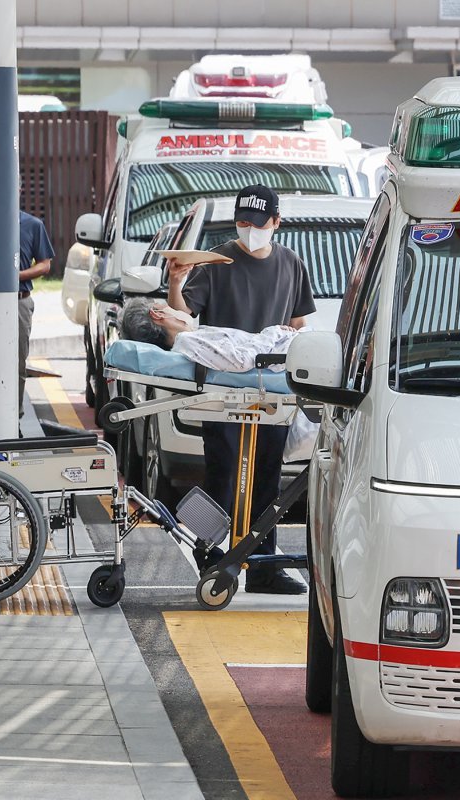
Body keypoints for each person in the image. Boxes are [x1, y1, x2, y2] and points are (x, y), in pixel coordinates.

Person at [166, 185, 315, 594]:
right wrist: (176, 283)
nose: (250, 231)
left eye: (258, 224)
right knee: (223, 474)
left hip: (271, 392)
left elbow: (299, 324)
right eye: (243, 223)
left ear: (277, 223)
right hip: (223, 390)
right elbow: (184, 323)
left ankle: (264, 566)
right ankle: (208, 555)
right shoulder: (215, 263)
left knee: (268, 478)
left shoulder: (291, 264)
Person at [120, 297, 299, 372]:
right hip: (295, 355)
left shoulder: (195, 335)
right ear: (157, 315)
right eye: (165, 306)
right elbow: (242, 361)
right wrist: (273, 332)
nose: (172, 308)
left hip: (295, 349)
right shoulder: (188, 342)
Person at [18, 210, 54, 412]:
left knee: (18, 361)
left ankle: (16, 414)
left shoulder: (32, 224)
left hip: (19, 300)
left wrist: (15, 276)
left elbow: (44, 265)